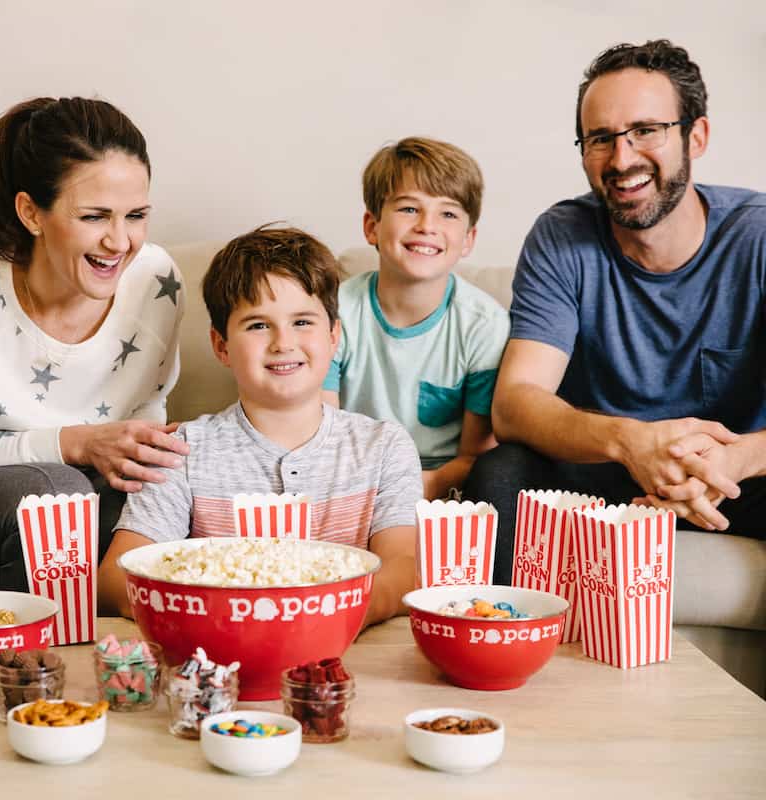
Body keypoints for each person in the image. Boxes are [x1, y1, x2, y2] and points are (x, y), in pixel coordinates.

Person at [464, 39, 766, 583]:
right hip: (604, 472)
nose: (622, 159)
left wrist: (735, 460)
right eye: (601, 138)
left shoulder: (759, 236)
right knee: (500, 475)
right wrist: (632, 443)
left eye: (646, 130)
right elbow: (514, 405)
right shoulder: (561, 237)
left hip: (731, 479)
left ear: (695, 135)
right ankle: (523, 657)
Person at [0, 97, 188, 592]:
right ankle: (30, 661)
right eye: (94, 216)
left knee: (164, 490)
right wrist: (77, 443)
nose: (120, 241)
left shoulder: (156, 278)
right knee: (55, 494)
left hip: (79, 495)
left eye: (136, 215)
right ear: (31, 213)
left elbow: (142, 423)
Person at [96, 225, 423, 626]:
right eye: (258, 325)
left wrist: (337, 615)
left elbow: (405, 565)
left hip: (345, 644)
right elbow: (115, 578)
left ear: (334, 335)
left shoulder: (383, 446)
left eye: (302, 322)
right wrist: (210, 616)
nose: (282, 342)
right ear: (221, 346)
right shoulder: (182, 451)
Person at [323, 137, 508, 500]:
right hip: (354, 478)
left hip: (442, 484)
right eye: (409, 209)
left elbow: (476, 456)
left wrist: (424, 487)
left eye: (448, 213)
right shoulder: (336, 312)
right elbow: (321, 435)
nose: (427, 225)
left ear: (468, 239)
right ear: (372, 226)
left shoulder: (484, 325)